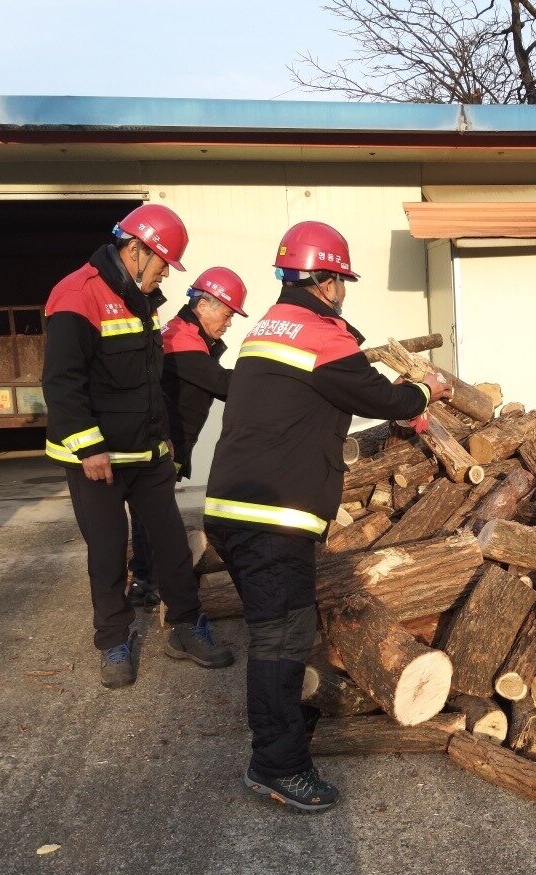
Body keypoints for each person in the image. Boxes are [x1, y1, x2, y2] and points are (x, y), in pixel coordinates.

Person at [203, 221, 450, 813]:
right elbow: (377, 395)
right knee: (282, 640)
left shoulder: (267, 328)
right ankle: (276, 765)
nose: (344, 292)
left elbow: (320, 401)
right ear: (329, 281)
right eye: (341, 281)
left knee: (280, 633)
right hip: (273, 518)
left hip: (234, 509)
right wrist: (425, 393)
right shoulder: (320, 335)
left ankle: (281, 730)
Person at [42, 203, 234, 689]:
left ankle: (187, 627)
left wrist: (163, 437)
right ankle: (113, 642)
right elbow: (63, 383)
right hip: (97, 461)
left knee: (171, 543)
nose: (165, 275)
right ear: (135, 250)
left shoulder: (142, 300)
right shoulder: (76, 295)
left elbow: (149, 382)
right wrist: (89, 449)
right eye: (163, 263)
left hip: (147, 454)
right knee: (108, 553)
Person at [126, 267, 248, 607]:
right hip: (160, 443)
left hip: (169, 442)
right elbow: (225, 385)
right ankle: (146, 580)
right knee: (151, 513)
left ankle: (146, 576)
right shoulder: (179, 341)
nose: (229, 322)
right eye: (227, 314)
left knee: (150, 512)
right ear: (204, 305)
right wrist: (270, 374)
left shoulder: (188, 337)